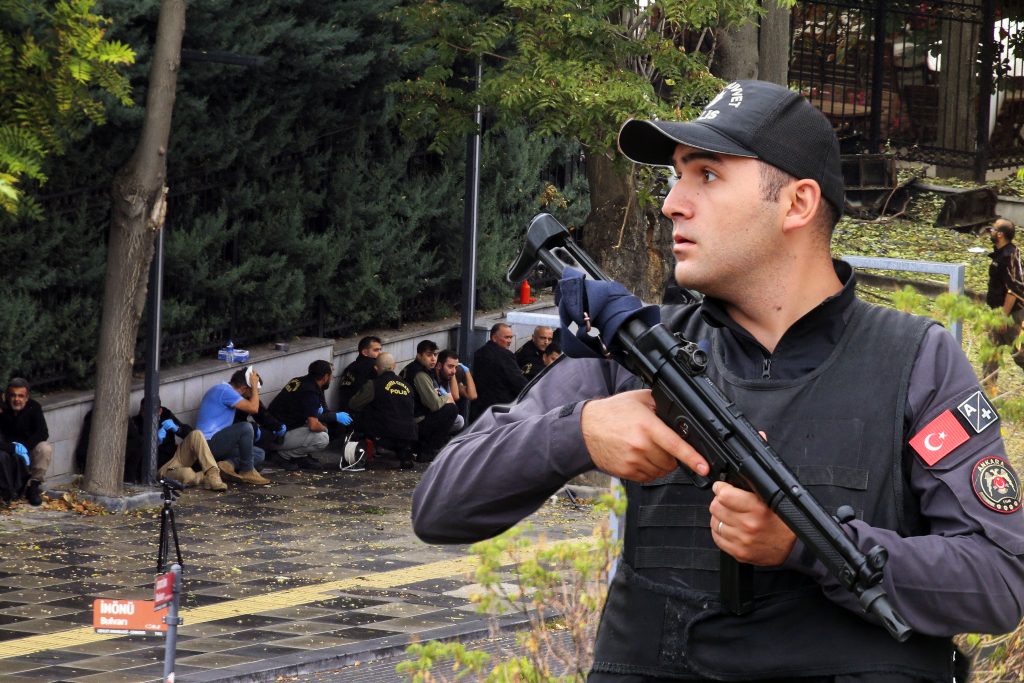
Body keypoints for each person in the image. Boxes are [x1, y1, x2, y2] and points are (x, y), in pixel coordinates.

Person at [412, 80, 1024, 682]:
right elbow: (440, 507)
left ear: (798, 203)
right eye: (676, 176)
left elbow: (1001, 577)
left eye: (705, 175)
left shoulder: (916, 361)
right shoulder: (635, 350)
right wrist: (578, 432)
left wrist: (808, 544)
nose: (672, 202)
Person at [267, 360, 352, 470]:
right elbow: (313, 425)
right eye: (331, 376)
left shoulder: (300, 381)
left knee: (321, 425)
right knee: (322, 438)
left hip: (275, 430)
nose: (332, 378)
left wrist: (331, 416)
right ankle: (283, 456)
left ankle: (300, 456)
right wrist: (324, 429)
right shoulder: (310, 391)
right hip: (277, 436)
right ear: (325, 377)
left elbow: (314, 411)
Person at [195, 368, 270, 485]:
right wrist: (255, 387)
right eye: (252, 392)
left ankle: (227, 465)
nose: (254, 395)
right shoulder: (224, 390)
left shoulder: (223, 390)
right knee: (246, 428)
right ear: (245, 388)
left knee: (259, 453)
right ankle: (247, 471)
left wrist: (253, 388)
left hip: (217, 444)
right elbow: (254, 408)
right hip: (207, 444)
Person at [349, 352, 417, 469]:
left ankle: (358, 453)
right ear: (394, 366)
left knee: (361, 414)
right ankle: (405, 454)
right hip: (409, 433)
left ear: (376, 368)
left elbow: (354, 404)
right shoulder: (407, 386)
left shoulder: (374, 384)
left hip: (383, 433)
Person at [400, 340, 462, 461]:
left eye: (434, 355)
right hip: (414, 422)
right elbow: (434, 404)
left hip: (409, 419)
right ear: (419, 355)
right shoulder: (420, 374)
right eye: (429, 355)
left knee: (455, 415)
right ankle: (428, 450)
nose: (433, 359)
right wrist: (447, 397)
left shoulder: (411, 368)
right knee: (451, 410)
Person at [983, 218, 1024, 392]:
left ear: (1000, 235)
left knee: (1020, 354)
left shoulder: (1010, 255)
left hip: (1011, 315)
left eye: (992, 229)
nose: (989, 232)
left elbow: (1014, 289)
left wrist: (1003, 316)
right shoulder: (1000, 253)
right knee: (990, 354)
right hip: (997, 312)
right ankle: (988, 393)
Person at [0, 378, 52, 506]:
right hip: (7, 449)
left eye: (21, 396)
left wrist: (26, 447)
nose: (17, 399)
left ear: (27, 397)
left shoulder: (34, 407)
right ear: (8, 396)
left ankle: (33, 487)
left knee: (45, 448)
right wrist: (11, 448)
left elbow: (43, 432)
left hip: (28, 448)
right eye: (13, 395)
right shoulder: (3, 409)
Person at [469, 323, 527, 422]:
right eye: (506, 337)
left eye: (511, 337)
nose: (509, 341)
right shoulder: (505, 356)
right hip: (502, 407)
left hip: (479, 409)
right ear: (494, 338)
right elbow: (518, 382)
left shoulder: (478, 353)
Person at [337, 336, 383, 413]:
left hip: (346, 413)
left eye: (380, 350)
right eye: (376, 350)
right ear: (364, 352)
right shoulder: (375, 367)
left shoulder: (350, 367)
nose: (380, 353)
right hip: (364, 415)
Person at [436, 349, 476, 421]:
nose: (454, 371)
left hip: (451, 412)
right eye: (450, 366)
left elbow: (472, 396)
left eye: (455, 367)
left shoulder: (454, 372)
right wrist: (453, 374)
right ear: (439, 365)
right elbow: (455, 397)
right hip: (437, 414)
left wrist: (467, 371)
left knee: (464, 399)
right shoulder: (433, 376)